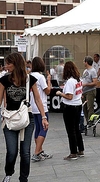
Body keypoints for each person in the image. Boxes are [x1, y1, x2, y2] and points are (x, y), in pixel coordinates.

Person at [0, 53, 49, 182]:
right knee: (12, 151)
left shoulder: (29, 79)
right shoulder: (4, 80)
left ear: (15, 64)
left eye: (8, 63)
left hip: (27, 118)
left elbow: (38, 99)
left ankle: (23, 179)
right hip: (10, 119)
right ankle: (9, 173)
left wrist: (44, 117)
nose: (6, 66)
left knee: (25, 152)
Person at [55, 61, 84, 160]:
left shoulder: (70, 81)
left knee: (70, 130)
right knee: (76, 129)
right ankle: (80, 149)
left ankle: (73, 152)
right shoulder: (78, 79)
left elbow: (69, 96)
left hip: (70, 107)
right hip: (78, 105)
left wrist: (60, 93)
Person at [30, 57, 53, 162]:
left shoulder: (29, 76)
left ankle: (40, 150)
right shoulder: (40, 77)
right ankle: (36, 152)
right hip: (41, 106)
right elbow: (47, 91)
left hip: (32, 106)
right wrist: (49, 80)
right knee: (44, 128)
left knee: (38, 128)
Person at [81, 56, 98, 125]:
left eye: (84, 61)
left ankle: (91, 121)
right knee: (84, 107)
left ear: (86, 62)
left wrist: (86, 85)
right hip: (84, 91)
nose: (83, 63)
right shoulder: (85, 71)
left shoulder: (93, 71)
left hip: (90, 91)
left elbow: (95, 82)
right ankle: (87, 120)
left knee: (89, 107)